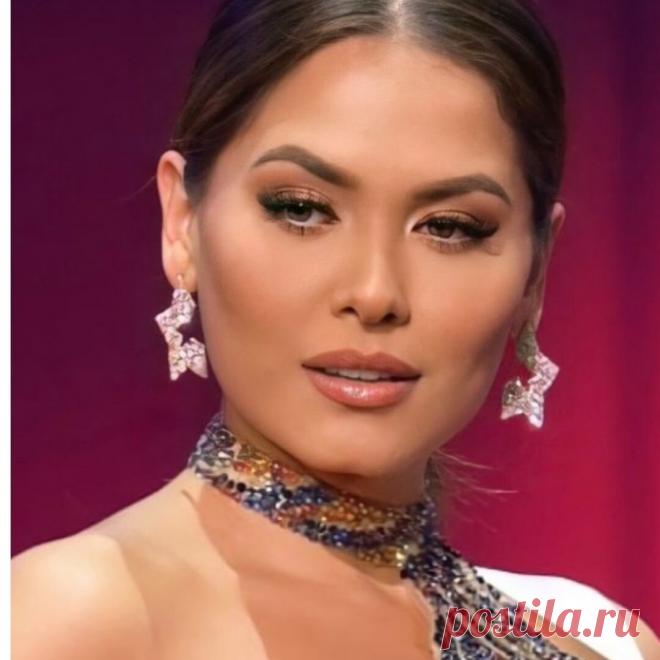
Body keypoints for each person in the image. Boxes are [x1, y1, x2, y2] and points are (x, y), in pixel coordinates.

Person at [11, 0, 660, 658]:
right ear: (182, 223)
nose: (375, 293)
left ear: (536, 270)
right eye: (301, 209)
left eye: (450, 227)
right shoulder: (74, 616)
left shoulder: (599, 638)